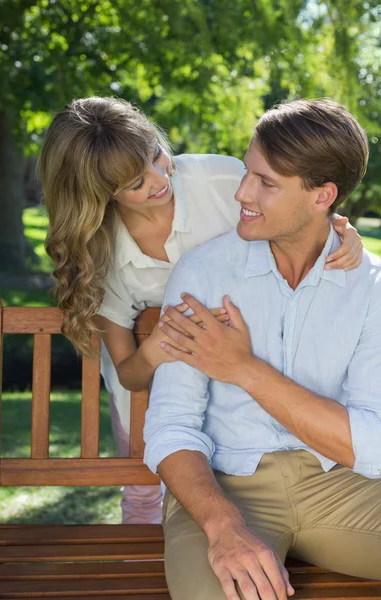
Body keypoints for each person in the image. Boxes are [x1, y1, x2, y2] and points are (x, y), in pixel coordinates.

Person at [39, 96, 362, 526]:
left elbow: (297, 211)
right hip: (152, 395)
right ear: (100, 193)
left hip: (246, 375)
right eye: (136, 182)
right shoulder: (101, 249)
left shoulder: (221, 179)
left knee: (245, 484)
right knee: (142, 493)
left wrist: (342, 230)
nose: (158, 178)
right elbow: (130, 375)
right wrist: (156, 347)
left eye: (156, 155)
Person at [143, 98, 381, 600]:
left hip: (342, 485)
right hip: (223, 486)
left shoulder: (370, 286)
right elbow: (171, 425)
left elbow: (371, 443)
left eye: (266, 182)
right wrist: (223, 526)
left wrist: (243, 369)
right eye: (248, 171)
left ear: (323, 196)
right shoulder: (205, 272)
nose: (242, 193)